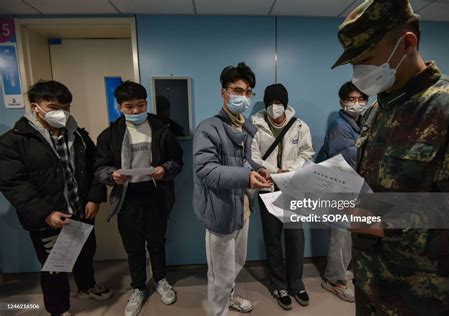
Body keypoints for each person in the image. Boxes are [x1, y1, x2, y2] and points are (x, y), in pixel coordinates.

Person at [331, 0, 449, 314]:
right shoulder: (377, 111)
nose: (358, 74)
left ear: (407, 43)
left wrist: (384, 221)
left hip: (421, 295)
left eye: (366, 59)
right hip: (369, 282)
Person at [0, 80, 112, 316]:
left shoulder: (78, 136)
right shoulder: (14, 141)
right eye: (53, 107)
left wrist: (94, 198)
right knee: (55, 268)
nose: (61, 112)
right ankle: (59, 309)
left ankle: (87, 287)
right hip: (49, 217)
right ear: (35, 107)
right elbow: (13, 183)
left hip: (81, 211)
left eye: (66, 106)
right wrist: (45, 214)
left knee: (85, 253)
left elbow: (95, 168)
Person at [95, 81, 183, 316]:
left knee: (157, 242)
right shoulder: (110, 134)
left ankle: (161, 280)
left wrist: (165, 169)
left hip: (156, 194)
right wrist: (112, 176)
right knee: (133, 247)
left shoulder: (161, 128)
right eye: (129, 106)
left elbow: (177, 160)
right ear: (119, 107)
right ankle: (138, 288)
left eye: (140, 105)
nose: (135, 111)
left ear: (147, 103)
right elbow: (100, 167)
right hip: (126, 197)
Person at [193, 62, 272, 316]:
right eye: (237, 90)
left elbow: (243, 162)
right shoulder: (209, 128)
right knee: (220, 274)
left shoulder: (243, 126)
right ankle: (218, 311)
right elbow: (206, 170)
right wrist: (247, 176)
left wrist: (257, 169)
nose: (244, 97)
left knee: (237, 264)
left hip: (243, 209)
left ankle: (229, 298)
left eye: (248, 92)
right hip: (220, 212)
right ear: (223, 92)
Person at [250, 83, 314, 310]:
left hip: (293, 187)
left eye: (278, 103)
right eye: (270, 104)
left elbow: (307, 153)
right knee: (272, 237)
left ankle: (296, 282)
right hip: (268, 186)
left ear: (285, 104)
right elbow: (253, 156)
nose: (275, 108)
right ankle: (279, 284)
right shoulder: (254, 126)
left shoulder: (299, 126)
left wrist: (292, 170)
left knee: (295, 237)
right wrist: (275, 172)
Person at [316, 82, 369, 302]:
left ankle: (340, 271)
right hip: (340, 187)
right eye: (351, 99)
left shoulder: (360, 123)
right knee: (340, 236)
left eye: (361, 99)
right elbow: (352, 159)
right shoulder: (340, 126)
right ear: (342, 102)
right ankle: (333, 280)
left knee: (347, 236)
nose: (356, 103)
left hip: (352, 187)